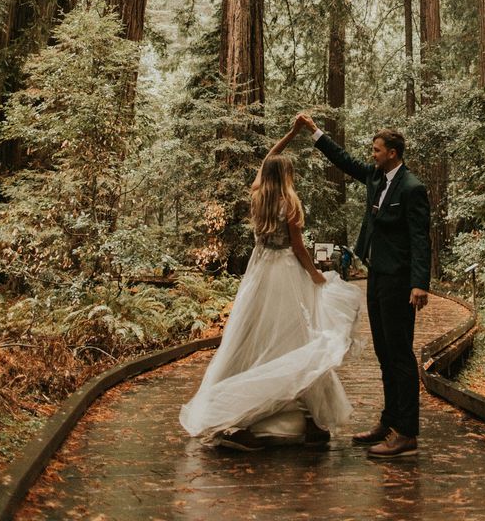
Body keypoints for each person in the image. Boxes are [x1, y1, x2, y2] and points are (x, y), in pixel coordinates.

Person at [179, 117, 362, 452]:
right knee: (295, 338)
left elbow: (267, 161)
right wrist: (315, 275)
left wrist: (290, 135)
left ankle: (290, 417)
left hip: (259, 272)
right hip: (284, 275)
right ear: (287, 176)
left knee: (253, 336)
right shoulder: (289, 203)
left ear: (267, 175)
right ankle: (307, 416)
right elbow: (298, 247)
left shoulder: (257, 196)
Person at [296, 113, 430, 459]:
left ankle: (407, 433)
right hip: (377, 275)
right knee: (384, 352)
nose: (372, 154)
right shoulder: (375, 176)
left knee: (400, 353)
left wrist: (419, 283)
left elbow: (420, 239)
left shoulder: (412, 188)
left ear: (393, 153)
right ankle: (388, 422)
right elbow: (344, 161)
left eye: (377, 150)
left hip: (400, 280)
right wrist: (315, 132)